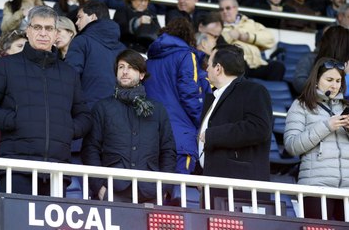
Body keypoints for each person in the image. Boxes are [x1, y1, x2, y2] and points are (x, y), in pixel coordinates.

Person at [0, 6, 92, 195]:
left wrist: (67, 128)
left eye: (49, 28)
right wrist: (13, 120)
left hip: (57, 171)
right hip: (16, 169)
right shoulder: (5, 65)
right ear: (28, 31)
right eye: (37, 27)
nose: (43, 33)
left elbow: (84, 116)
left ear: (55, 34)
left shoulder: (69, 73)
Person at [81, 49, 176, 203]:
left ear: (142, 75)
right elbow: (90, 148)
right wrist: (99, 187)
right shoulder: (102, 107)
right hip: (112, 189)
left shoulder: (157, 109)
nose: (125, 72)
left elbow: (168, 151)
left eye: (131, 67)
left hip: (150, 191)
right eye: (121, 67)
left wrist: (164, 189)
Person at [199, 44, 272, 207]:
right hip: (213, 186)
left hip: (241, 190)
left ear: (218, 68)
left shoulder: (254, 90)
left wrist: (212, 135)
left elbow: (259, 128)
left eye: (209, 64)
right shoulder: (211, 98)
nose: (206, 70)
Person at [284, 57, 349, 221]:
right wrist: (327, 126)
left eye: (338, 81)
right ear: (316, 80)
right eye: (329, 80)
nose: (334, 86)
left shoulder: (345, 106)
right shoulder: (301, 105)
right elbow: (292, 146)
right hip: (316, 186)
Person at [145, 17, 209, 174]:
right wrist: (201, 123)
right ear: (188, 36)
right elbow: (190, 94)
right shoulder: (186, 56)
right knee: (178, 191)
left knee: (154, 190)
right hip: (180, 135)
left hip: (150, 134)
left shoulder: (149, 61)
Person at [65, 0, 126, 109]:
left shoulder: (81, 41)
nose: (76, 22)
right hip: (117, 111)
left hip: (87, 110)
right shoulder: (122, 48)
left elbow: (70, 76)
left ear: (92, 17)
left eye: (80, 17)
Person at [219, 0, 285, 81]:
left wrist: (248, 37)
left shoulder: (249, 23)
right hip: (238, 65)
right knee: (240, 64)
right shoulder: (218, 27)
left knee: (278, 67)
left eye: (228, 8)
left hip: (257, 64)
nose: (224, 11)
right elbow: (216, 45)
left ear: (236, 8)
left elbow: (270, 39)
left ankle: (270, 92)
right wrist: (230, 36)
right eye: (221, 9)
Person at [292, 26, 349, 95]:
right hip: (313, 103)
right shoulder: (310, 59)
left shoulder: (346, 64)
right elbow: (299, 84)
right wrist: (321, 85)